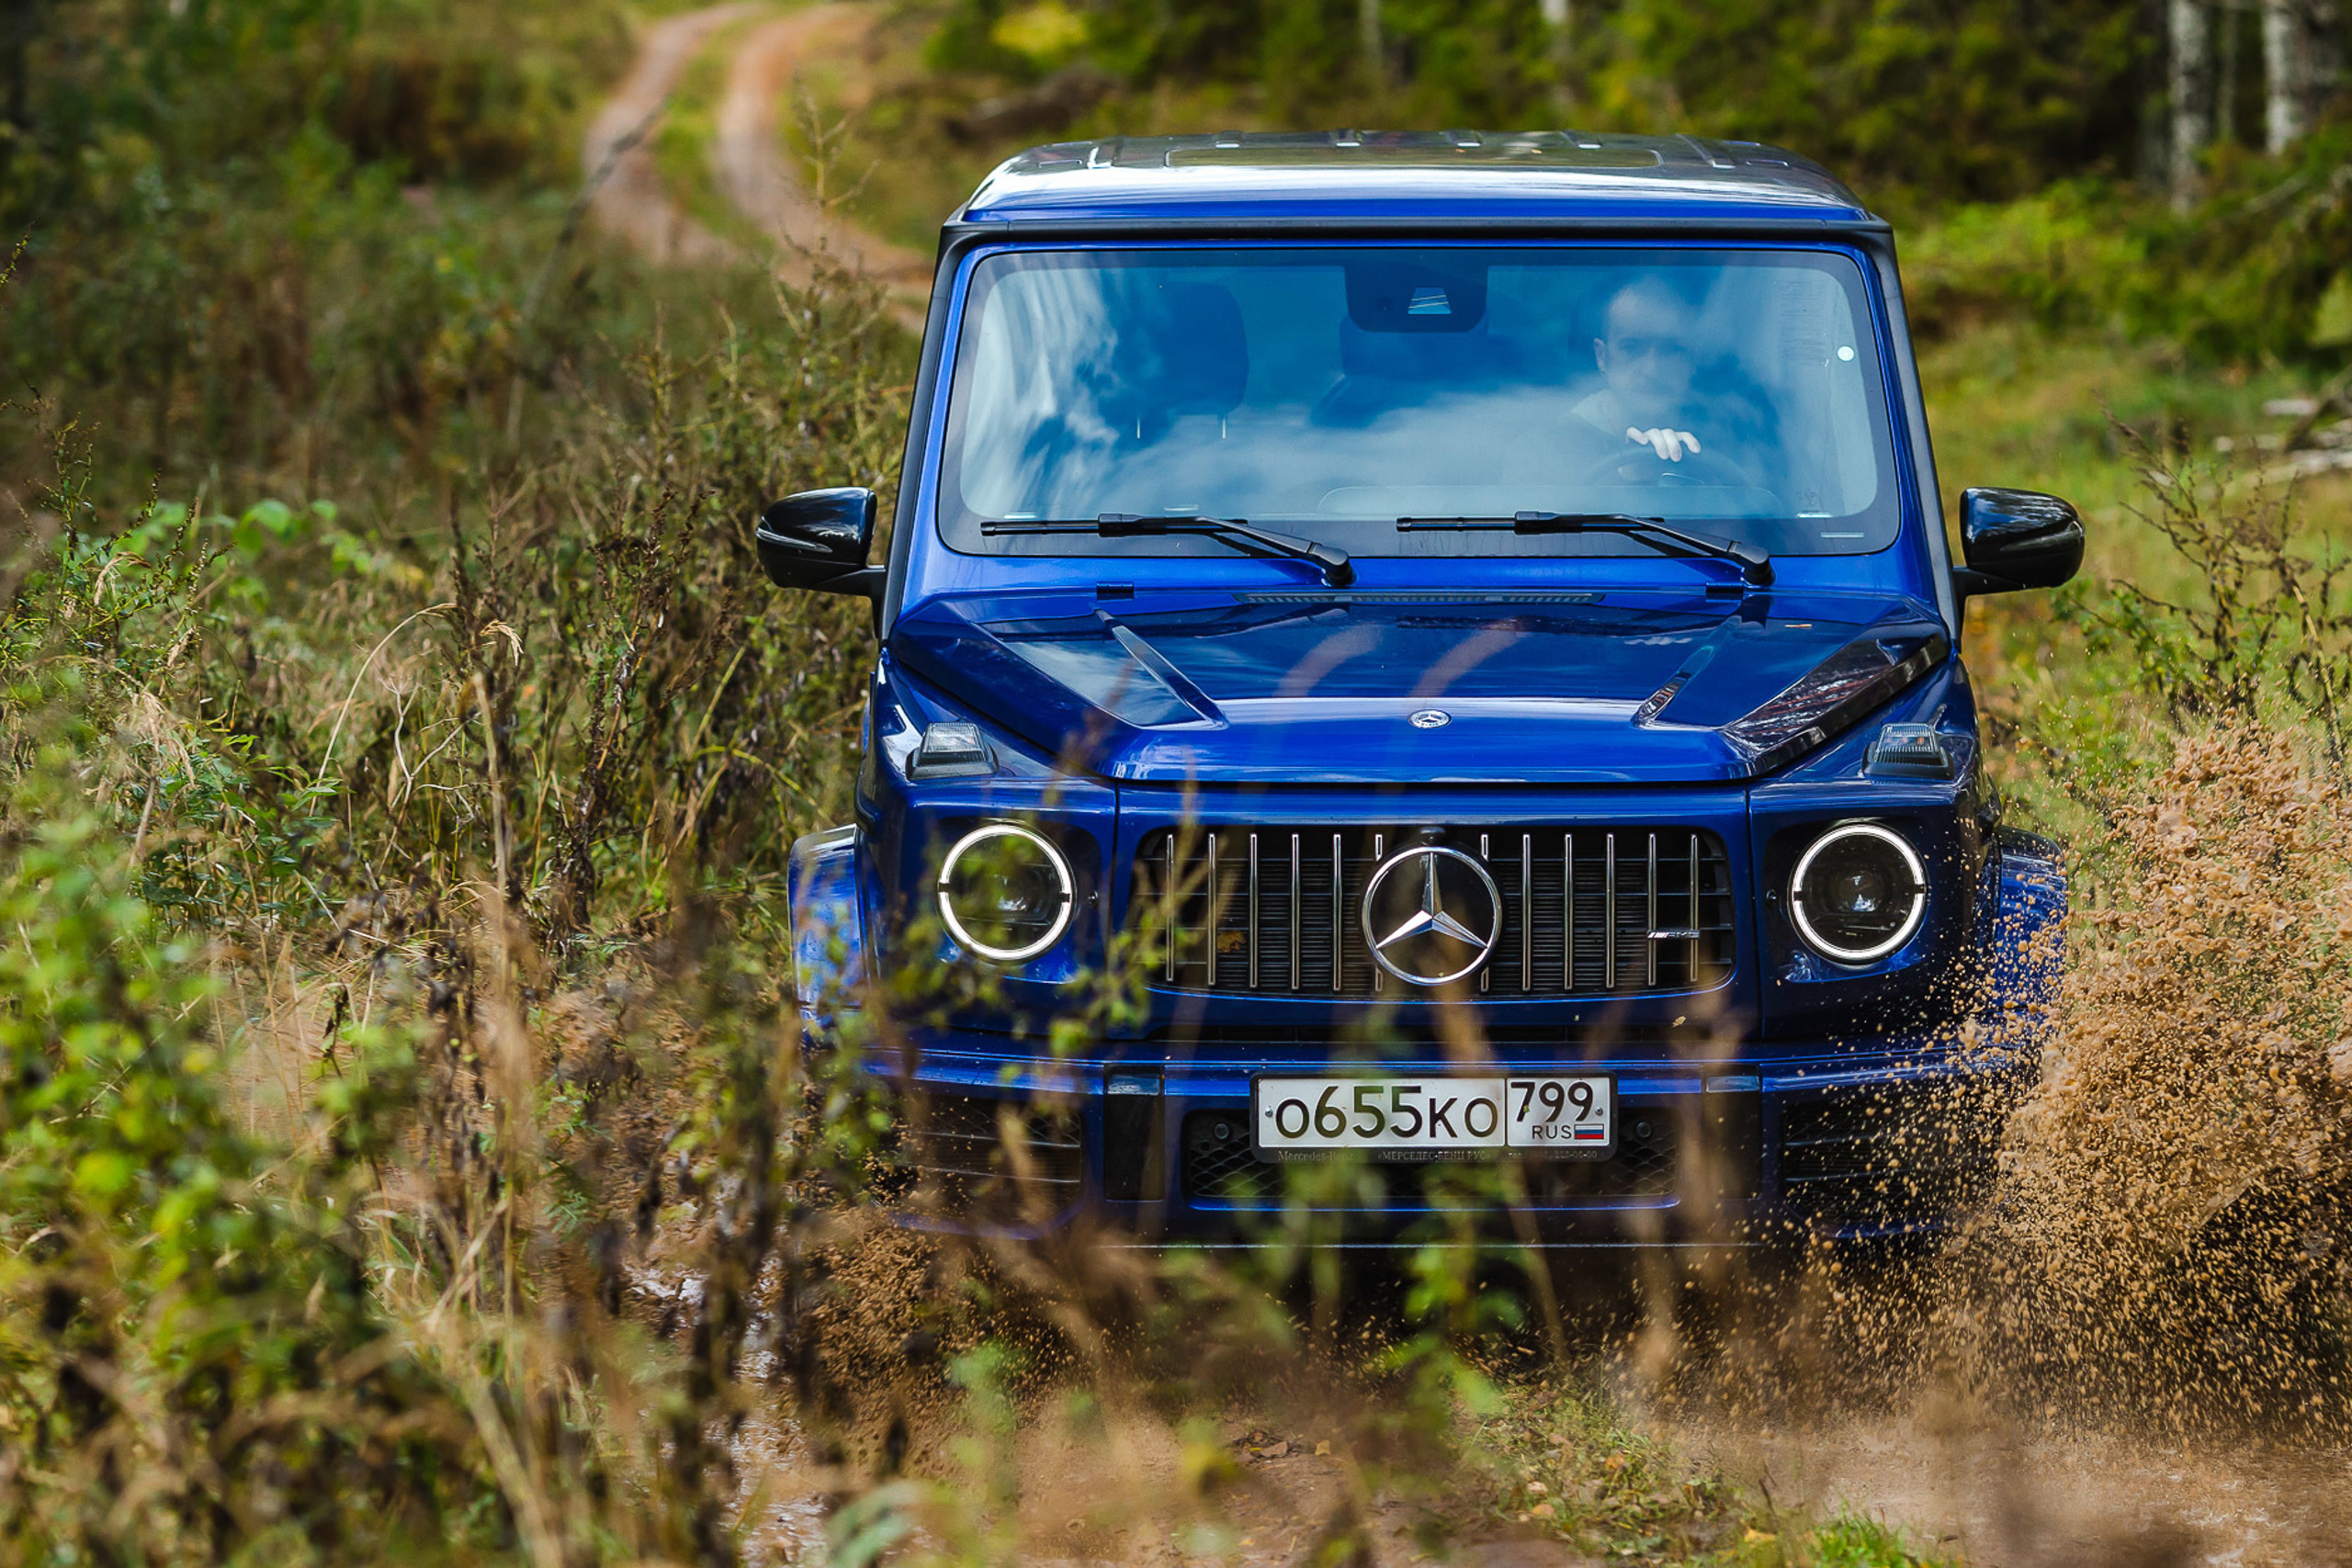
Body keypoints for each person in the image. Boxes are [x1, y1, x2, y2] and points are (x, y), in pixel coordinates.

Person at [1572, 276, 1754, 476]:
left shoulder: (1730, 441)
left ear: (1692, 357)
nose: (1652, 369)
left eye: (1672, 349)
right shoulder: (1562, 443)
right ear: (1602, 356)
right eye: (1631, 347)